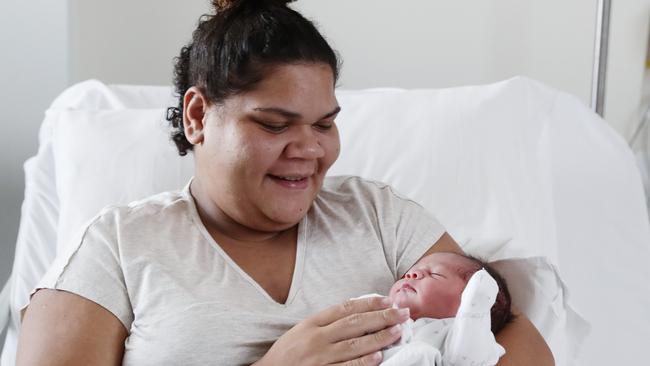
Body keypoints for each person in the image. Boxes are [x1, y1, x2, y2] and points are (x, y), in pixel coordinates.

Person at [16, 0, 554, 365]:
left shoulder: (378, 216)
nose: (310, 151)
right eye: (274, 125)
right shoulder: (118, 248)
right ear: (198, 115)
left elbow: (509, 340)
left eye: (324, 124)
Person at [375, 252, 513, 365]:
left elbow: (468, 359)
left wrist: (475, 312)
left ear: (469, 299)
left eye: (435, 274)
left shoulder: (462, 335)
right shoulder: (377, 312)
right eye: (408, 273)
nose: (411, 274)